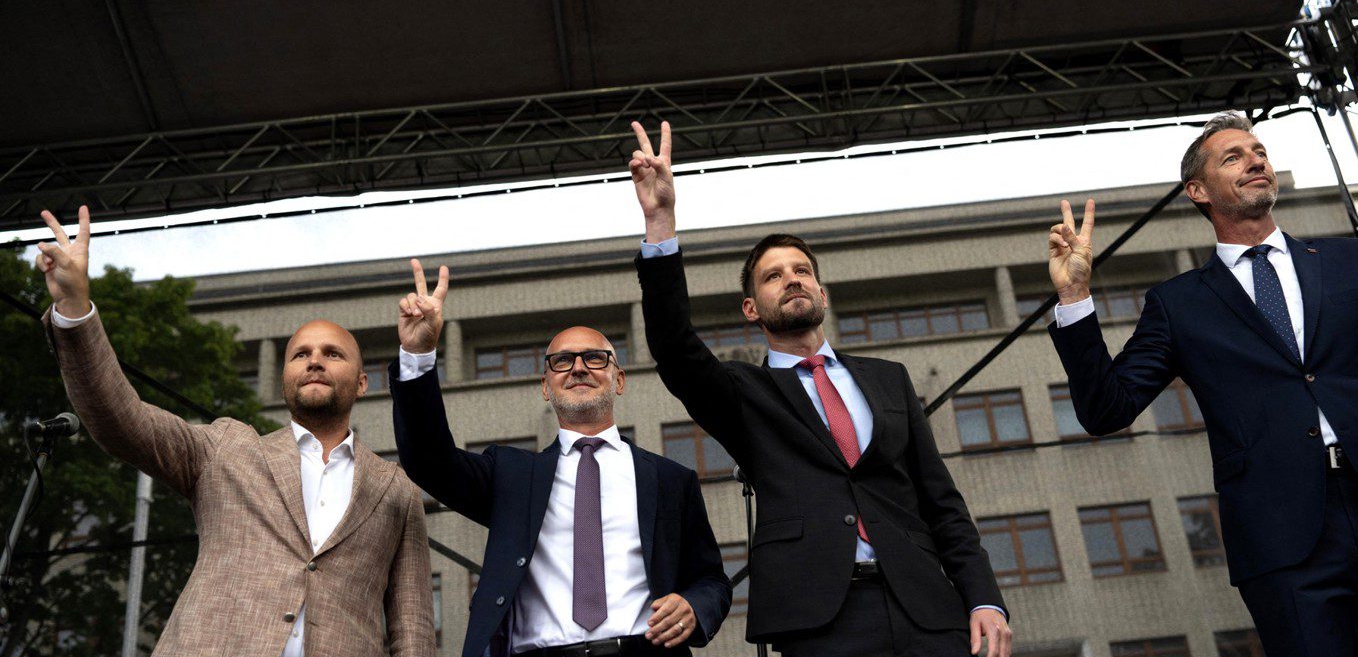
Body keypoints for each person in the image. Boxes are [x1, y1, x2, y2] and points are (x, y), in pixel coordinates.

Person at [627, 122, 1010, 657]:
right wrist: (660, 222)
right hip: (819, 622)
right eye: (773, 276)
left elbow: (941, 502)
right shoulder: (745, 393)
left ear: (822, 293)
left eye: (802, 270)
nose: (792, 279)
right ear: (750, 309)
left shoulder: (889, 378)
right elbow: (674, 347)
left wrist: (983, 598)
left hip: (927, 610)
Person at [32, 206, 435, 656]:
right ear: (284, 379)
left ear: (362, 383)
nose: (315, 361)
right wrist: (74, 308)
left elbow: (413, 630)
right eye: (300, 355)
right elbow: (119, 418)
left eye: (332, 354)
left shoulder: (396, 490)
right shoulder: (226, 449)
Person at [1046, 112, 1358, 655]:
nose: (1255, 162)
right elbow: (1106, 409)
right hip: (1283, 538)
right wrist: (1075, 297)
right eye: (1233, 157)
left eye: (1259, 152)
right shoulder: (1179, 304)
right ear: (1198, 190)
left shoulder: (1350, 260)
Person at [389, 259, 731, 657]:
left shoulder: (672, 479)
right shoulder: (511, 475)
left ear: (619, 380)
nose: (579, 368)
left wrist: (693, 607)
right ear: (546, 387)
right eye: (562, 361)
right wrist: (418, 355)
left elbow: (711, 580)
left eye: (595, 358)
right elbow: (428, 460)